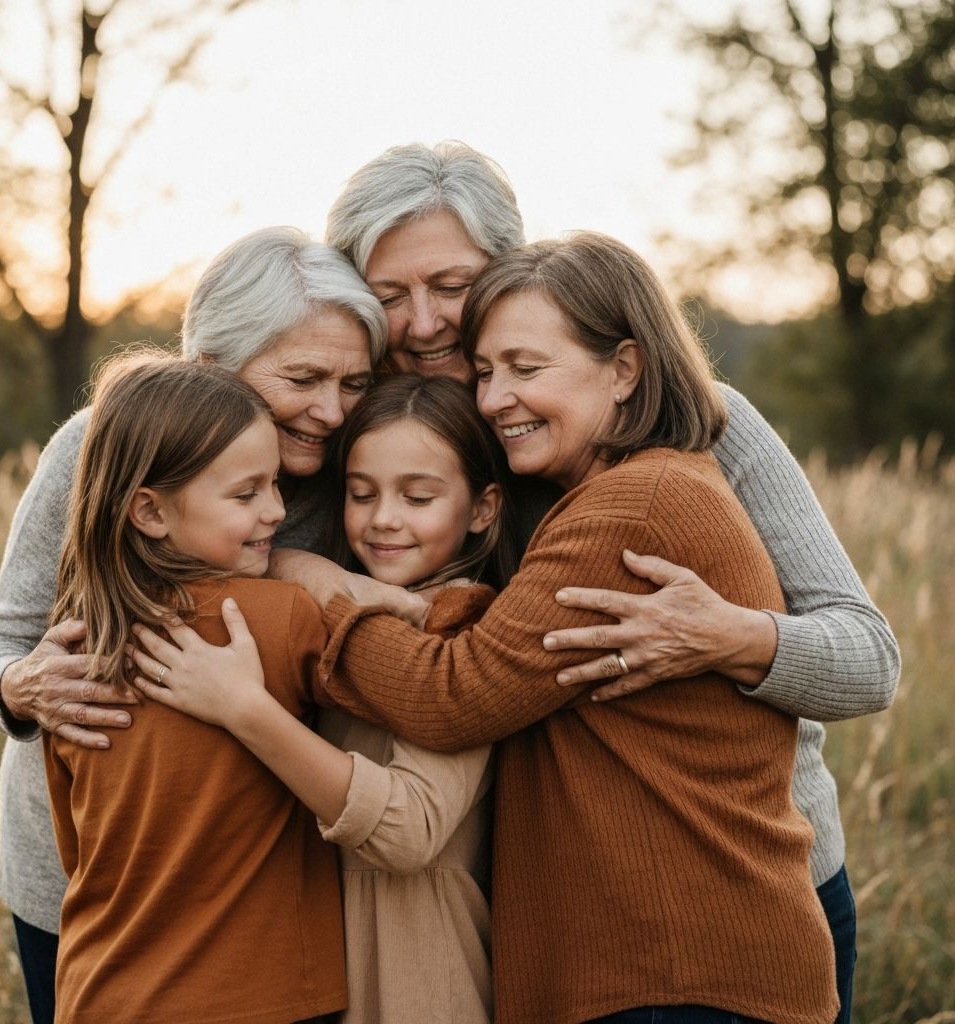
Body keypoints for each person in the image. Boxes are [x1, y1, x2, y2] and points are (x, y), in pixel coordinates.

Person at [136, 233, 841, 1023]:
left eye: (526, 370)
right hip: (640, 966)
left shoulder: (634, 503)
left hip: (678, 968)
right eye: (485, 372)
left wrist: (321, 597)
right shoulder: (620, 494)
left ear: (625, 369)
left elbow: (454, 692)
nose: (495, 397)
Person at [322, 141, 898, 1022]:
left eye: (451, 285)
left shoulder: (685, 438)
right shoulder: (371, 429)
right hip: (553, 897)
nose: (427, 320)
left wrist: (733, 635)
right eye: (391, 293)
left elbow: (868, 656)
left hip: (706, 893)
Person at [0, 227, 387, 1023]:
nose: (330, 410)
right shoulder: (96, 448)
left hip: (244, 902)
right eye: (304, 378)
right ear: (212, 366)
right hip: (80, 884)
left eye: (354, 383)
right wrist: (20, 687)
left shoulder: (352, 473)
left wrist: (312, 573)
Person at [132, 374, 519, 1023]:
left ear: (483, 509)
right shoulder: (326, 617)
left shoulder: (467, 629)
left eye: (418, 496)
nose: (384, 519)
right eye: (361, 494)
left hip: (416, 986)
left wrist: (243, 709)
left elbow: (407, 829)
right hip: (299, 981)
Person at [43, 352, 346, 1023]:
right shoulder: (280, 620)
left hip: (101, 993)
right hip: (261, 997)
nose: (274, 511)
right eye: (246, 494)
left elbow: (75, 848)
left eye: (275, 486)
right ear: (150, 512)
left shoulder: (67, 652)